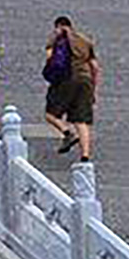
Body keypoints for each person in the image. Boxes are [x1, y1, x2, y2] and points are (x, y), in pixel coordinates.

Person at [40, 15, 98, 161]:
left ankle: (67, 132)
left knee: (50, 115)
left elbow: (49, 58)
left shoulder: (57, 39)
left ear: (58, 26)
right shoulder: (85, 41)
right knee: (81, 120)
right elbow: (95, 66)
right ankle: (85, 156)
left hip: (65, 80)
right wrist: (94, 87)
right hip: (86, 81)